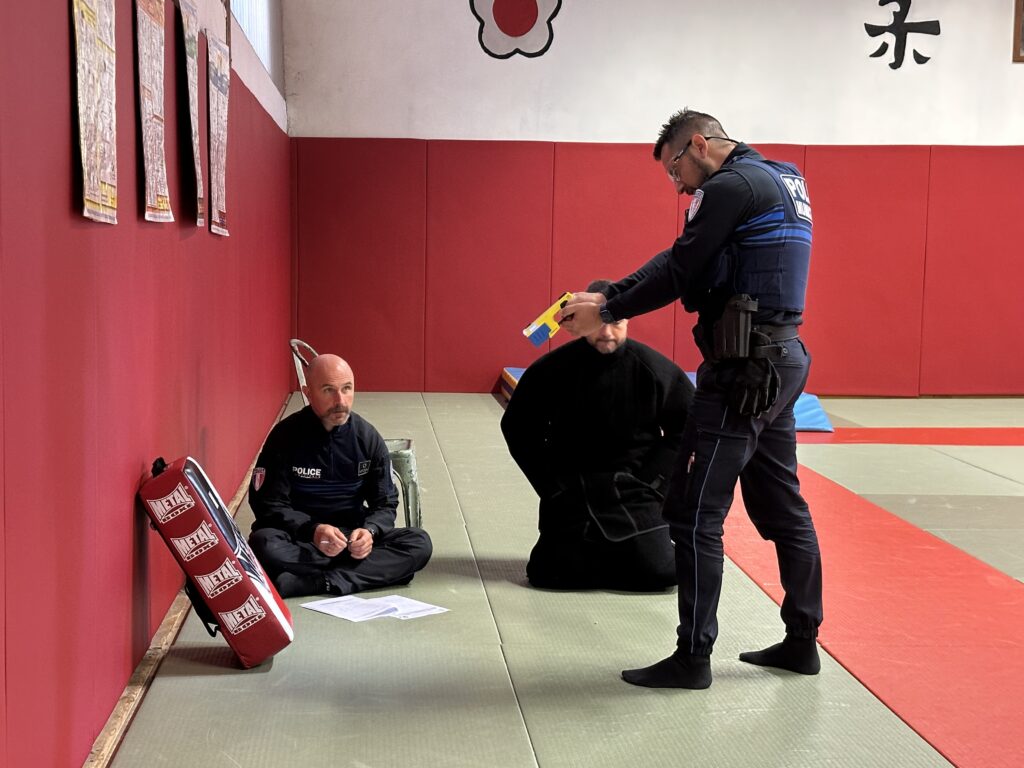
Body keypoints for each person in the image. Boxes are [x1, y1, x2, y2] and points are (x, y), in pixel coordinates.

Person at [558, 109, 823, 689]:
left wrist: (605, 309)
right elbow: (686, 258)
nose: (679, 187)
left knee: (694, 513)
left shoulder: (729, 186)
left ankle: (692, 658)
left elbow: (679, 269)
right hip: (783, 360)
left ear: (698, 144)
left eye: (676, 170)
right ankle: (803, 641)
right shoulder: (782, 176)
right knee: (783, 504)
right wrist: (611, 295)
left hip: (743, 372)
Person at [501, 280, 694, 591]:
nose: (607, 332)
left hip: (635, 491)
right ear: (583, 322)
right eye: (599, 323)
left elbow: (686, 428)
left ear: (628, 320)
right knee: (549, 575)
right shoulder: (551, 371)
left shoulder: (655, 370)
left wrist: (654, 484)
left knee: (662, 574)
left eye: (615, 322)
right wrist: (552, 486)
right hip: (573, 490)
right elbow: (519, 428)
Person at [248, 354, 432, 598]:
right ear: (308, 392)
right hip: (302, 538)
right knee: (264, 545)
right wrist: (312, 530)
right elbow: (267, 504)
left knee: (419, 543)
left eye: (347, 389)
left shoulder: (367, 438)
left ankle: (315, 582)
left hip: (350, 536)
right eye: (328, 390)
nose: (340, 401)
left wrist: (370, 532)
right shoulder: (285, 437)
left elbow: (385, 502)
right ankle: (370, 573)